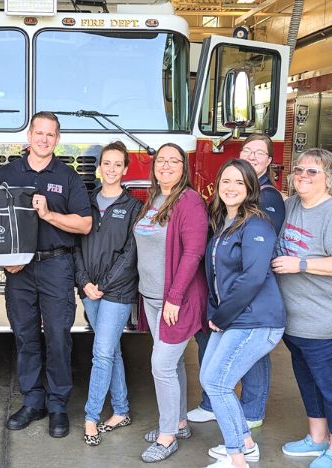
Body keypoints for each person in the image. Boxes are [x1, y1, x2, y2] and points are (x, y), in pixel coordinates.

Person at [0, 111, 93, 439]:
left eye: (51, 134)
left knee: (58, 337)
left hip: (56, 266)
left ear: (57, 140)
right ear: (29, 136)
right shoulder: (7, 173)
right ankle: (33, 401)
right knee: (24, 336)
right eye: (39, 133)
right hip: (19, 268)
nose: (44, 139)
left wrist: (49, 214)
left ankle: (58, 405)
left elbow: (84, 224)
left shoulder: (68, 177)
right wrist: (5, 258)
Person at [189, 134, 285, 428]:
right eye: (247, 150)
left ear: (269, 161)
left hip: (250, 310)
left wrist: (223, 313)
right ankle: (229, 419)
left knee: (246, 361)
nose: (252, 156)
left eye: (260, 153)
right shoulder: (228, 212)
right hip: (231, 305)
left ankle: (251, 417)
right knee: (216, 373)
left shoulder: (263, 205)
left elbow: (254, 270)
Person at [272, 148, 332, 468]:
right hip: (294, 321)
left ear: (328, 178)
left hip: (326, 322)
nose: (302, 175)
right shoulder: (289, 206)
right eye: (298, 169)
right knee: (308, 383)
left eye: (312, 171)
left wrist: (300, 263)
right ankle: (317, 439)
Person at [133, 143, 208, 463]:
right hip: (151, 297)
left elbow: (193, 253)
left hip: (175, 300)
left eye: (173, 161)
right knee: (172, 364)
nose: (165, 166)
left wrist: (174, 298)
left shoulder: (189, 200)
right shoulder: (155, 198)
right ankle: (178, 423)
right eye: (160, 161)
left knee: (161, 366)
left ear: (184, 167)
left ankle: (167, 438)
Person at [74, 141, 142, 446]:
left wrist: (104, 284)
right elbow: (74, 245)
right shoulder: (85, 203)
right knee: (110, 349)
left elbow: (131, 254)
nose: (112, 169)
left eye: (118, 164)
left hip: (117, 291)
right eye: (107, 163)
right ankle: (122, 409)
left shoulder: (133, 207)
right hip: (89, 289)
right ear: (99, 168)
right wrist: (84, 281)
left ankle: (91, 416)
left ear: (125, 170)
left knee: (101, 353)